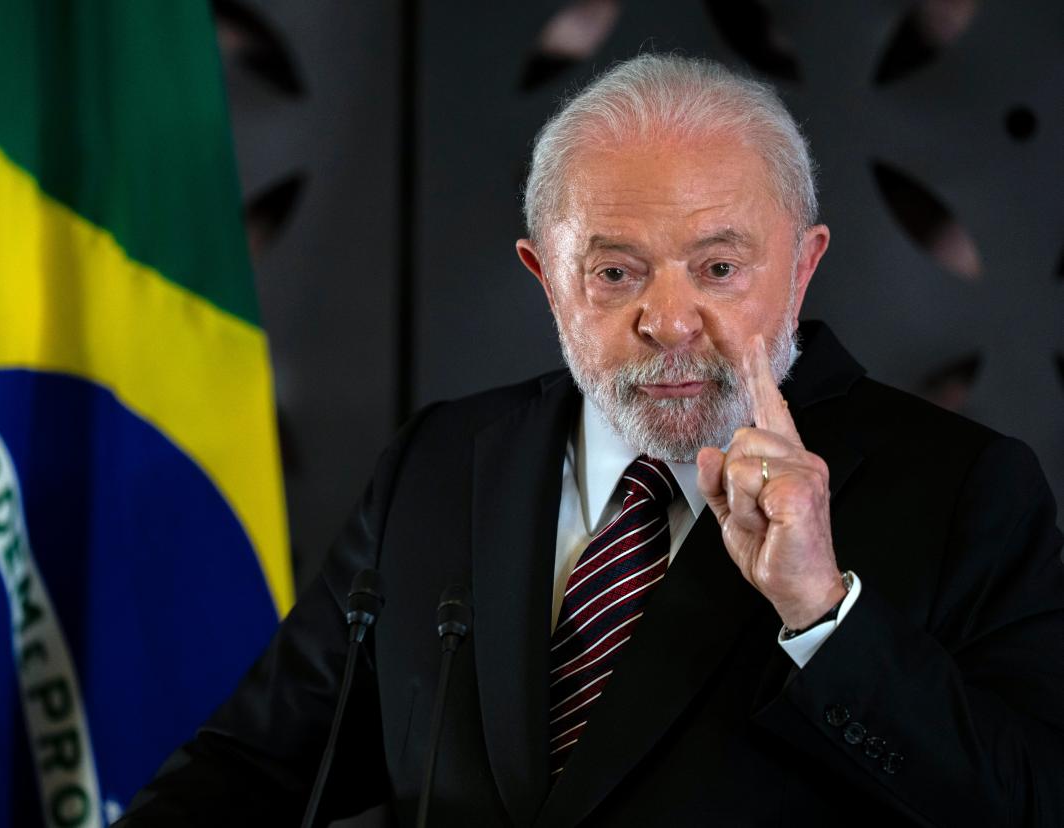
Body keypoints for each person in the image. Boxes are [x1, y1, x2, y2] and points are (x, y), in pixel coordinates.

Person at [120, 54, 1064, 826]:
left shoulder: (963, 491)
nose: (670, 319)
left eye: (720, 267)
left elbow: (1028, 806)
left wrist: (822, 611)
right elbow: (253, 767)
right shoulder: (443, 464)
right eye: (615, 272)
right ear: (545, 276)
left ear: (803, 264)